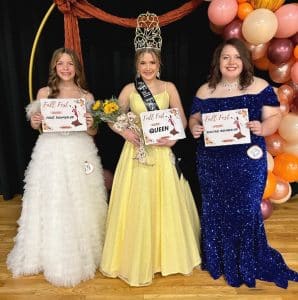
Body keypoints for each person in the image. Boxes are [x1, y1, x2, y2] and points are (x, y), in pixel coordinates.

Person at [100, 12, 201, 287]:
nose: (147, 66)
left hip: (162, 151)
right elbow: (109, 115)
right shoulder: (128, 90)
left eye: (152, 62)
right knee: (138, 204)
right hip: (136, 154)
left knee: (164, 204)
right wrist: (124, 131)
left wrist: (174, 138)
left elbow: (180, 117)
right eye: (143, 62)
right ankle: (136, 257)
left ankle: (164, 257)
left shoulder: (169, 87)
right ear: (137, 64)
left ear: (159, 63)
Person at [189, 38, 298, 288]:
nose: (231, 62)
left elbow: (273, 119)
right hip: (212, 162)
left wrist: (263, 127)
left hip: (247, 162)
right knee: (215, 211)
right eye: (225, 57)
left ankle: (247, 259)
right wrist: (195, 128)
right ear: (218, 62)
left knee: (246, 211)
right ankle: (218, 259)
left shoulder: (260, 86)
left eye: (236, 57)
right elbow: (194, 119)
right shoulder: (205, 90)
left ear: (245, 61)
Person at [7, 48, 108, 287]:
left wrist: (93, 122)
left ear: (76, 68)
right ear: (54, 67)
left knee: (82, 200)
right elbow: (38, 127)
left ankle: (86, 251)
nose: (65, 68)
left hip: (79, 151)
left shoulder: (86, 95)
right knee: (52, 200)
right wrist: (35, 121)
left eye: (69, 64)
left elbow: (92, 131)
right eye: (61, 63)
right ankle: (50, 254)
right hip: (50, 152)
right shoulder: (45, 93)